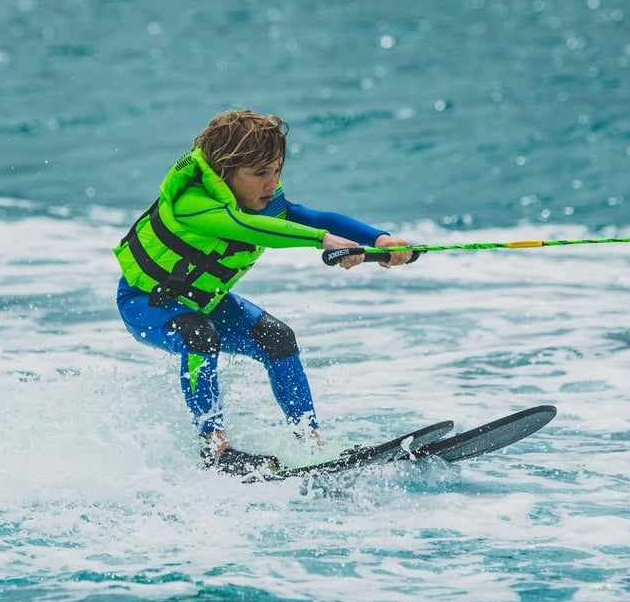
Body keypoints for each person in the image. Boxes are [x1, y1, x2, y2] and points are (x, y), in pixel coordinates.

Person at [113, 110, 413, 474]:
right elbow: (250, 228)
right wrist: (322, 241)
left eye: (276, 171)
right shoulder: (191, 204)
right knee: (198, 335)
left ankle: (311, 444)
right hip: (149, 304)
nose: (271, 184)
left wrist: (381, 240)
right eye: (259, 174)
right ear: (225, 173)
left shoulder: (264, 199)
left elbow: (317, 218)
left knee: (277, 336)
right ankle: (215, 450)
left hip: (205, 302)